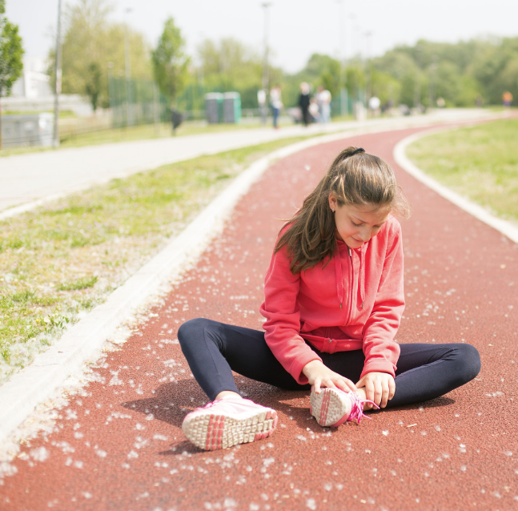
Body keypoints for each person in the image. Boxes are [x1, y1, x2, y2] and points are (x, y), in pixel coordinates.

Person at [178, 147, 481, 450]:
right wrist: (312, 367)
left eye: (375, 225)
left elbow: (385, 309)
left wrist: (378, 366)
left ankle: (354, 400)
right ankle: (233, 406)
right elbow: (279, 323)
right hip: (296, 364)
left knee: (464, 358)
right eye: (357, 222)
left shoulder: (389, 232)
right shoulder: (293, 238)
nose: (365, 234)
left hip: (354, 361)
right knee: (196, 330)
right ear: (334, 201)